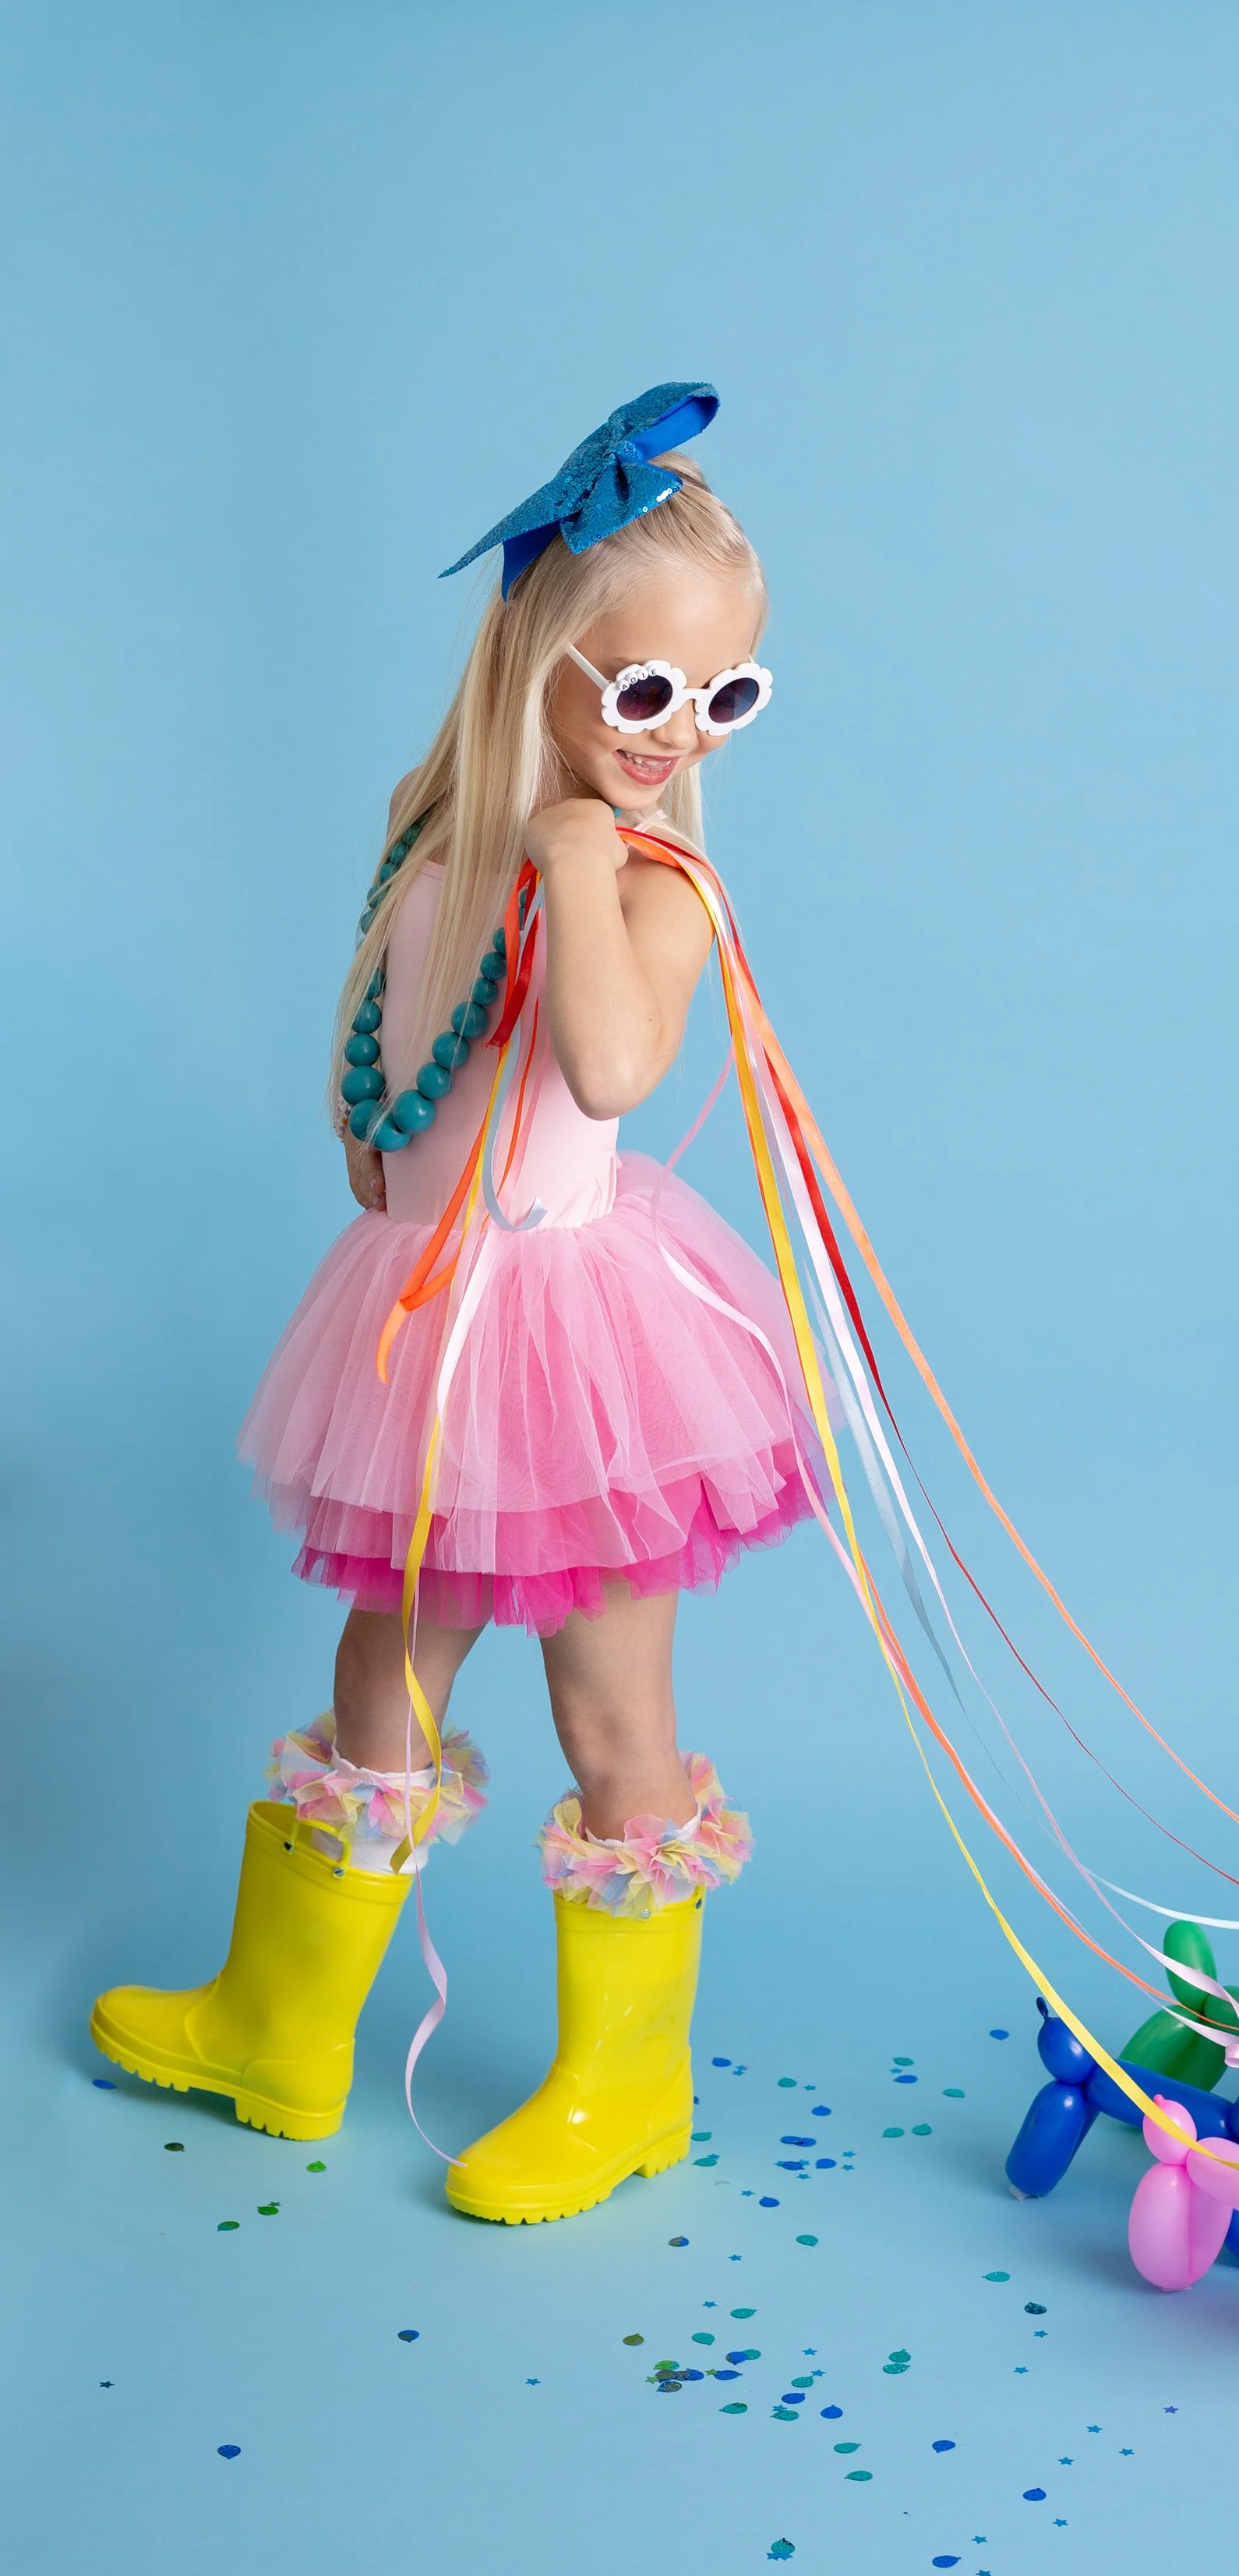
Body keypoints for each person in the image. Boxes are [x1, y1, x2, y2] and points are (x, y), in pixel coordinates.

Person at [90, 383, 818, 2224]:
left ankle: (626, 2083)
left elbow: (610, 1056)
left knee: (608, 1710)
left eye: (721, 696)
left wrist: (587, 861)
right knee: (377, 1671)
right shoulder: (440, 825)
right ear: (539, 650)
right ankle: (279, 2019)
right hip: (429, 1331)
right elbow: (396, 1027)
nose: (676, 735)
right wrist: (370, 1114)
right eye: (641, 689)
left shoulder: (651, 880)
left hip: (583, 1356)